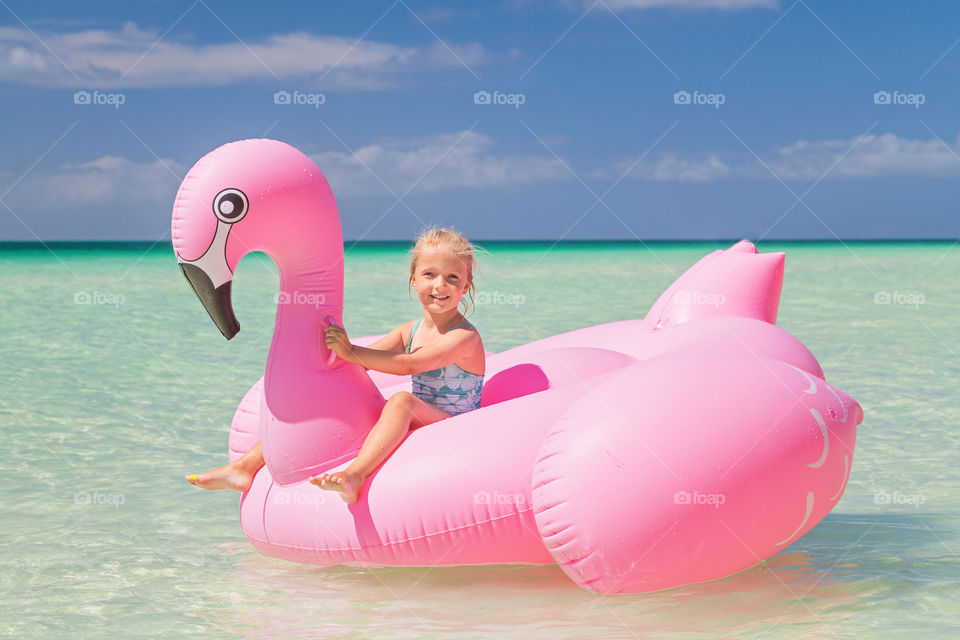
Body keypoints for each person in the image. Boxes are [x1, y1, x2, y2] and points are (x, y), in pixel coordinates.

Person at [186, 227, 485, 504]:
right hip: (422, 417)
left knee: (402, 400)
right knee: (337, 394)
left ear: (465, 286)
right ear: (414, 280)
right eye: (430, 274)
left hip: (454, 424)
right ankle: (244, 466)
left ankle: (353, 476)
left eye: (452, 278)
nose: (440, 285)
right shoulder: (409, 330)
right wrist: (324, 364)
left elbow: (409, 365)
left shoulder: (464, 337)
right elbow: (357, 366)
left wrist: (351, 350)